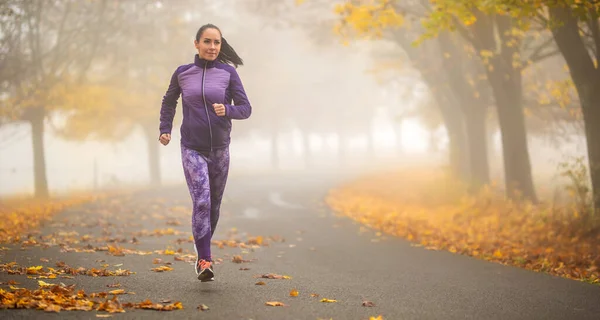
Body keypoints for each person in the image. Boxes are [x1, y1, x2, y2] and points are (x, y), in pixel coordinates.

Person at [158, 24, 252, 282]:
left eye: (217, 43)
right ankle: (205, 260)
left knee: (213, 206)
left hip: (220, 149)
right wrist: (165, 128)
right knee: (201, 200)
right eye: (207, 42)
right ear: (196, 44)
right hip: (192, 147)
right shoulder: (182, 73)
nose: (212, 47)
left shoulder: (228, 73)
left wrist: (228, 110)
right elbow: (169, 101)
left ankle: (202, 248)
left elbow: (245, 108)